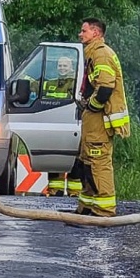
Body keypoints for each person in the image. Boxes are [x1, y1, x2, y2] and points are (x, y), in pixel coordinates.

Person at [69, 17, 129, 216]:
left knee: (98, 161)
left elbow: (105, 88)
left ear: (96, 33)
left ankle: (104, 209)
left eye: (84, 30)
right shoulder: (93, 54)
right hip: (93, 118)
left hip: (100, 119)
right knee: (87, 160)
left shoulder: (101, 55)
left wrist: (91, 107)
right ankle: (87, 204)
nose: (80, 34)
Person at [43, 55, 82, 197]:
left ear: (71, 67)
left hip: (72, 124)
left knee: (75, 158)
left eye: (65, 66)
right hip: (54, 124)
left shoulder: (75, 83)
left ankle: (75, 192)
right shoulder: (50, 83)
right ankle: (55, 190)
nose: (62, 68)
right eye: (60, 65)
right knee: (54, 156)